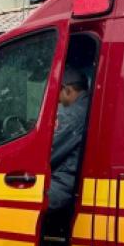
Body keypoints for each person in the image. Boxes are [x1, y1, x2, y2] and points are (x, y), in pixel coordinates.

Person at [48, 66, 90, 213]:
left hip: (65, 184)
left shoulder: (71, 116)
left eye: (57, 92)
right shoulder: (89, 106)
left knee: (18, 196)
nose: (57, 100)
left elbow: (48, 154)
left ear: (67, 90)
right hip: (79, 181)